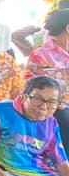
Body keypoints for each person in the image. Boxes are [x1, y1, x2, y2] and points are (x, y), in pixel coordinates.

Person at [26, 8, 69, 153]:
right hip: (52, 106)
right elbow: (30, 86)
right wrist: (53, 100)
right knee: (62, 115)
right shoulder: (41, 54)